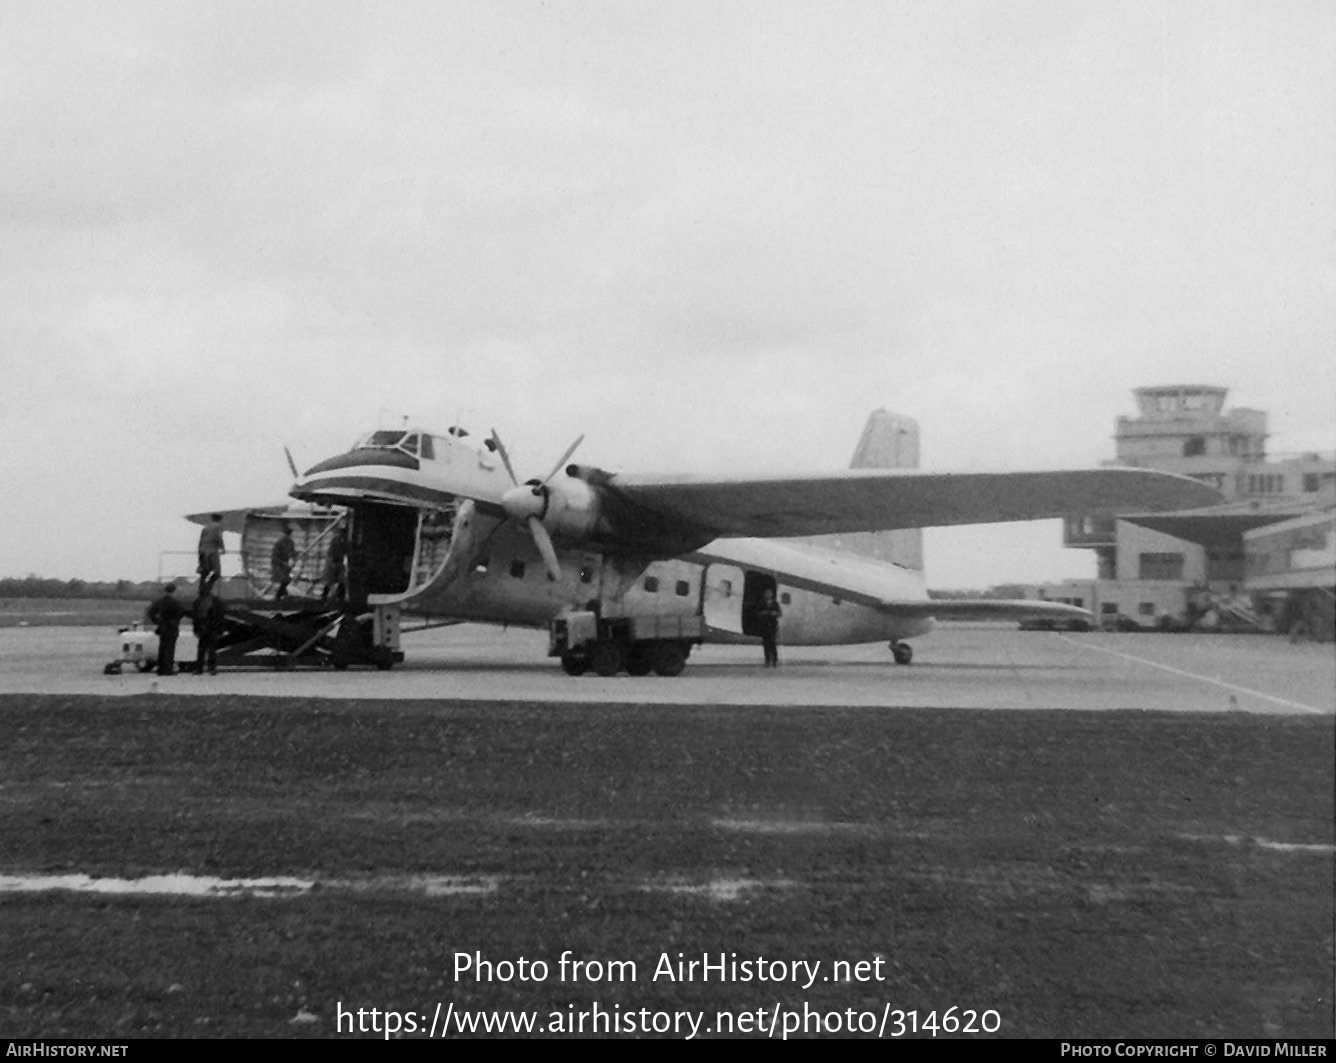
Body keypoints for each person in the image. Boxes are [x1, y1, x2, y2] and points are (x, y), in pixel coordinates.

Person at [147, 583, 186, 676]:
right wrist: (175, 620)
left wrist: (157, 621)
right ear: (173, 591)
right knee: (170, 649)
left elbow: (151, 613)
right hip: (172, 627)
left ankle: (160, 669)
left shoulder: (160, 602)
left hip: (162, 627)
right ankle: (168, 669)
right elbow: (181, 612)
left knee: (162, 648)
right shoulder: (175, 603)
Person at [192, 586, 227, 675]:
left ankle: (199, 668)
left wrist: (196, 629)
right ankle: (211, 668)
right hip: (212, 628)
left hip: (202, 628)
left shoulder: (198, 602)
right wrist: (220, 629)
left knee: (201, 649)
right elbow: (220, 616)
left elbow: (195, 617)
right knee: (212, 649)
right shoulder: (216, 601)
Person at [320, 523, 349, 602]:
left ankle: (339, 596)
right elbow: (331, 552)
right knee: (331, 580)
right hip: (334, 561)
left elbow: (345, 550)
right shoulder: (337, 539)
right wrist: (332, 562)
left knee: (341, 580)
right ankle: (325, 596)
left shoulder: (342, 540)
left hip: (338, 561)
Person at [198, 513, 225, 592]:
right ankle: (207, 588)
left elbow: (201, 540)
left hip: (202, 551)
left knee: (204, 572)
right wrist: (222, 548)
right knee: (217, 573)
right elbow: (218, 538)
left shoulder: (205, 527)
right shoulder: (217, 527)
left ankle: (202, 589)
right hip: (212, 551)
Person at [756, 587, 782, 667]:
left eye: (769, 593)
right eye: (766, 593)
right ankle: (767, 660)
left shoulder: (775, 604)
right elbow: (758, 614)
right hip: (765, 625)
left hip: (772, 625)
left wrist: (774, 613)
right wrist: (763, 613)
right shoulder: (761, 603)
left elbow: (780, 613)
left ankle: (774, 660)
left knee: (772, 642)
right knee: (766, 643)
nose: (767, 595)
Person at [270, 525, 296, 599]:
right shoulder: (279, 543)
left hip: (286, 565)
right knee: (284, 580)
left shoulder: (291, 542)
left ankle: (282, 594)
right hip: (278, 564)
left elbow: (292, 553)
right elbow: (274, 556)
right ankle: (279, 595)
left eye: (289, 534)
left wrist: (293, 559)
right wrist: (282, 563)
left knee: (286, 580)